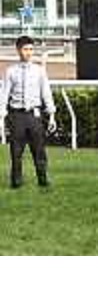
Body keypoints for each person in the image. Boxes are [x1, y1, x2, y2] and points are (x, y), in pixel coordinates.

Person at [0, 35, 57, 188]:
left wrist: (52, 115)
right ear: (18, 50)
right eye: (25, 49)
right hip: (16, 115)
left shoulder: (39, 71)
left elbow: (46, 93)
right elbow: (4, 94)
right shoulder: (11, 71)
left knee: (39, 149)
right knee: (16, 151)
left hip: (34, 115)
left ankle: (43, 180)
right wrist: (1, 116)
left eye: (31, 49)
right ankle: (16, 182)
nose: (29, 52)